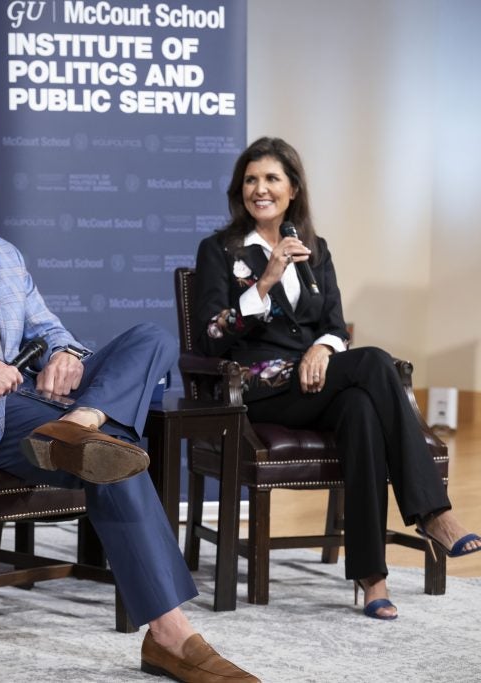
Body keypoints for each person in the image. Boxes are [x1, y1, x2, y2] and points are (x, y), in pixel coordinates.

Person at [0, 134, 259, 683]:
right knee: (117, 454)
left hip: (42, 405)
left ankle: (82, 424)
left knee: (150, 339)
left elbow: (52, 330)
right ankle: (171, 635)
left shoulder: (5, 257)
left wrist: (64, 353)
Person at [192, 136, 481, 620]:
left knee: (363, 411)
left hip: (315, 382)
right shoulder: (220, 250)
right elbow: (210, 337)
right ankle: (432, 511)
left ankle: (372, 578)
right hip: (259, 389)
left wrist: (323, 349)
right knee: (375, 362)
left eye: (271, 179)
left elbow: (333, 323)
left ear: (293, 189)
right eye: (250, 180)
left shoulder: (315, 250)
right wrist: (264, 282)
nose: (259, 189)